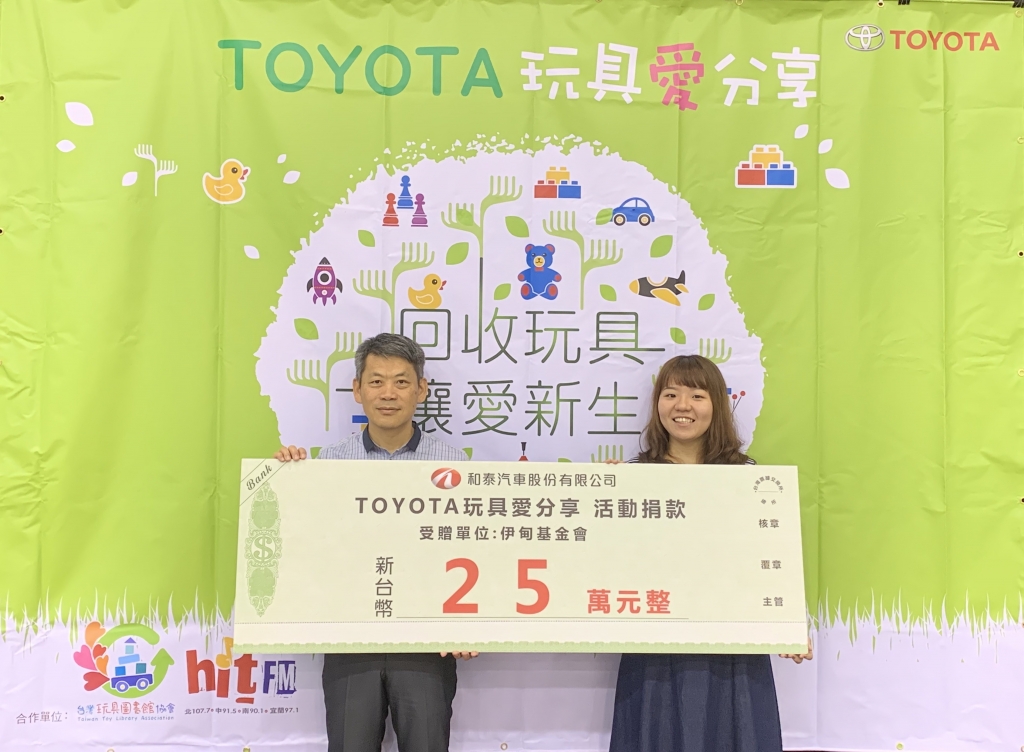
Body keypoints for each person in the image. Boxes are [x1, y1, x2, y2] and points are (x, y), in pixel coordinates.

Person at [274, 333, 476, 752]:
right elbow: (308, 545)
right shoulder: (327, 464)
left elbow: (471, 551)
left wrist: (470, 624)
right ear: (357, 389)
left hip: (426, 643)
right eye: (376, 381)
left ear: (421, 390)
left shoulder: (454, 466)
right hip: (350, 639)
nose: (388, 393)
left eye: (401, 382)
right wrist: (285, 483)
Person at [607, 354, 811, 752]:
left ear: (717, 404)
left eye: (697, 395)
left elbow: (769, 557)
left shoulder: (749, 479)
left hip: (732, 648)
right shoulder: (631, 479)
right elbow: (611, 562)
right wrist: (602, 496)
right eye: (671, 394)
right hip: (654, 645)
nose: (682, 406)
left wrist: (789, 623)